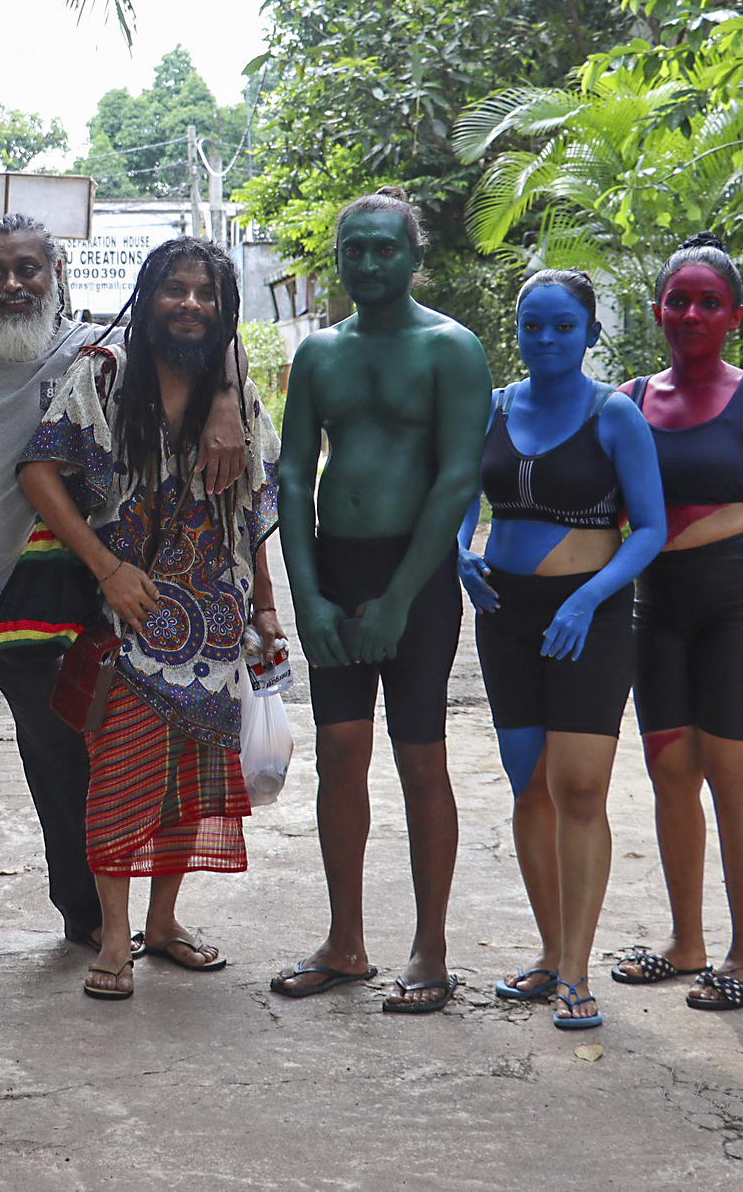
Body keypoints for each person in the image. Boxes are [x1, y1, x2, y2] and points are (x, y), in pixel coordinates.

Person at [0, 214, 248, 972]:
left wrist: (226, 394)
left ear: (55, 273)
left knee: (62, 741)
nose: (13, 284)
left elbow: (197, 320)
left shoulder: (87, 347)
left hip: (20, 587)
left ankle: (88, 915)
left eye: (28, 269)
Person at [18, 236, 283, 1001]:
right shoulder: (103, 375)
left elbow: (252, 506)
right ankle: (112, 934)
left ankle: (163, 924)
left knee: (191, 784)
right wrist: (107, 567)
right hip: (129, 619)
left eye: (207, 293)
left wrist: (264, 606)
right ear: (149, 295)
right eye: (176, 289)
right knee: (120, 780)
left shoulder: (236, 392)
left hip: (218, 622)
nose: (191, 304)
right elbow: (39, 472)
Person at [272, 186, 493, 1014]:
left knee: (420, 758)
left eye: (383, 248)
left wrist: (401, 597)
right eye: (353, 249)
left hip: (419, 576)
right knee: (339, 757)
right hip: (336, 568)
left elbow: (456, 478)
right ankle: (345, 940)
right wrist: (310, 596)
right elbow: (293, 475)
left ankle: (430, 948)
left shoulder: (451, 349)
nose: (367, 262)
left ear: (412, 255)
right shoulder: (320, 355)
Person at [455, 270, 666, 1031]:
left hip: (593, 617)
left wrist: (588, 596)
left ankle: (578, 969)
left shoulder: (616, 415)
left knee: (579, 788)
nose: (545, 340)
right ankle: (549, 952)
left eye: (562, 328)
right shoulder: (494, 408)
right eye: (531, 326)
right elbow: (460, 501)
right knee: (529, 786)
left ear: (591, 335)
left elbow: (649, 529)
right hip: (506, 616)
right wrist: (460, 553)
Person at [611, 233, 743, 1012]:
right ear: (660, 310)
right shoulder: (629, 401)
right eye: (679, 300)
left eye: (709, 302)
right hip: (657, 606)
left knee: (730, 777)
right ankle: (685, 942)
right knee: (669, 775)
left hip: (738, 599)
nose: (691, 313)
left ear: (734, 315)